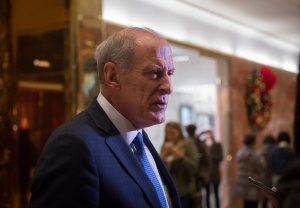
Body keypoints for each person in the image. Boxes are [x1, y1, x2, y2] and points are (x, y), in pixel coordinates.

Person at [29, 27, 181, 208]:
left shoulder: (138, 138)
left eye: (170, 73)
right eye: (154, 73)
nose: (168, 86)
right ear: (113, 76)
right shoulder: (74, 145)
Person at [160, 122, 198, 208]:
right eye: (168, 133)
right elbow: (159, 167)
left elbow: (194, 167)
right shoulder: (165, 146)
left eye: (173, 133)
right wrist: (164, 154)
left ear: (179, 132)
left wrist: (180, 156)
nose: (170, 136)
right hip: (169, 190)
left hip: (185, 190)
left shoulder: (187, 144)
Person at [235, 134, 263, 208]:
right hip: (252, 183)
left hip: (243, 183)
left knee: (246, 204)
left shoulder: (240, 153)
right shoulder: (254, 154)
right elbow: (260, 167)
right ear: (253, 142)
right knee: (253, 204)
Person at [199, 129, 223, 208]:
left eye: (209, 134)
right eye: (206, 134)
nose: (207, 136)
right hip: (206, 173)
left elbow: (220, 157)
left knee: (216, 193)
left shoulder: (217, 144)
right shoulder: (202, 145)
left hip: (215, 172)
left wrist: (211, 155)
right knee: (207, 193)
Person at [257, 135, 276, 208]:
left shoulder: (260, 152)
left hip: (262, 179)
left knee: (264, 202)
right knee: (274, 201)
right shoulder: (275, 151)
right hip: (273, 179)